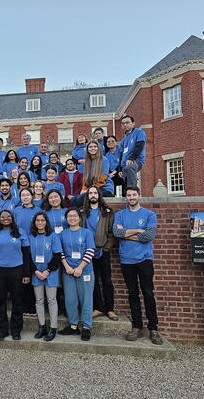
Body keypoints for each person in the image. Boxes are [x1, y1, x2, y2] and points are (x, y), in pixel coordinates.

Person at [113, 186, 162, 345]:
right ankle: (137, 326)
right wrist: (138, 231)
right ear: (125, 197)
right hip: (127, 260)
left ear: (139, 196)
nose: (131, 197)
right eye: (128, 195)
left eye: (134, 194)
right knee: (132, 294)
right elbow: (117, 234)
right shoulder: (120, 215)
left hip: (144, 260)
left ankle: (153, 328)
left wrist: (128, 234)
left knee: (148, 293)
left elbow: (148, 236)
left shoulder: (149, 214)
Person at [0, 210, 32, 341]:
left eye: (8, 216)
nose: (5, 218)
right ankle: (2, 330)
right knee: (0, 301)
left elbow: (26, 255)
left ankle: (16, 330)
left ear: (12, 218)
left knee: (17, 301)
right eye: (2, 217)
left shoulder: (20, 232)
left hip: (17, 270)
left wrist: (26, 273)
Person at [80, 186, 117, 321]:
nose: (93, 195)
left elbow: (111, 233)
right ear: (87, 196)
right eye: (90, 193)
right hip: (88, 252)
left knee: (107, 280)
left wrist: (106, 248)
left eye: (95, 193)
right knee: (92, 281)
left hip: (103, 251)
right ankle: (98, 307)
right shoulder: (82, 212)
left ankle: (110, 309)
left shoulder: (107, 212)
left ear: (99, 195)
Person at [58, 208, 95, 341]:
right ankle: (73, 326)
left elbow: (90, 251)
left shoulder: (86, 232)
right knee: (70, 299)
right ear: (66, 219)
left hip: (84, 270)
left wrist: (80, 267)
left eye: (74, 216)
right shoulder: (63, 233)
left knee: (86, 299)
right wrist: (67, 266)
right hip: (68, 271)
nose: (72, 218)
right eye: (69, 216)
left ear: (79, 218)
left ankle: (86, 327)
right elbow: (60, 251)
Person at [29, 212, 62, 342]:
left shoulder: (53, 236)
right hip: (36, 273)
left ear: (46, 222)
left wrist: (48, 270)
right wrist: (36, 271)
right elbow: (27, 256)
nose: (40, 222)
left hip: (51, 273)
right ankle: (42, 326)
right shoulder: (31, 237)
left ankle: (53, 328)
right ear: (34, 222)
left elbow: (57, 255)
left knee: (52, 300)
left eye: (43, 220)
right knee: (39, 301)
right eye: (38, 220)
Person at [13, 188, 40, 316]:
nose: (25, 197)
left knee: (32, 274)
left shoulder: (38, 210)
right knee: (22, 275)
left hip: (34, 246)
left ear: (32, 196)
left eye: (27, 195)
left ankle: (32, 306)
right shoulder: (16, 210)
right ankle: (23, 305)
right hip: (19, 246)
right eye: (23, 195)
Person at [71, 140, 114, 207]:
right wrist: (83, 189)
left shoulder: (103, 160)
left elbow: (102, 178)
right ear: (87, 149)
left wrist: (89, 190)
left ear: (98, 148)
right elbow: (86, 179)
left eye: (95, 146)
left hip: (105, 189)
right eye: (90, 147)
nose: (93, 148)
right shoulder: (87, 162)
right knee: (73, 200)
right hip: (93, 189)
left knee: (80, 200)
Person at [119, 115, 146, 189]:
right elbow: (121, 155)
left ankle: (134, 190)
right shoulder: (123, 140)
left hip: (136, 161)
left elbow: (140, 145)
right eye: (123, 123)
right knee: (126, 185)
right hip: (124, 165)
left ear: (133, 123)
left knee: (130, 168)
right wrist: (120, 169)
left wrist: (131, 158)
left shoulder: (139, 132)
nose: (125, 125)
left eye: (127, 122)